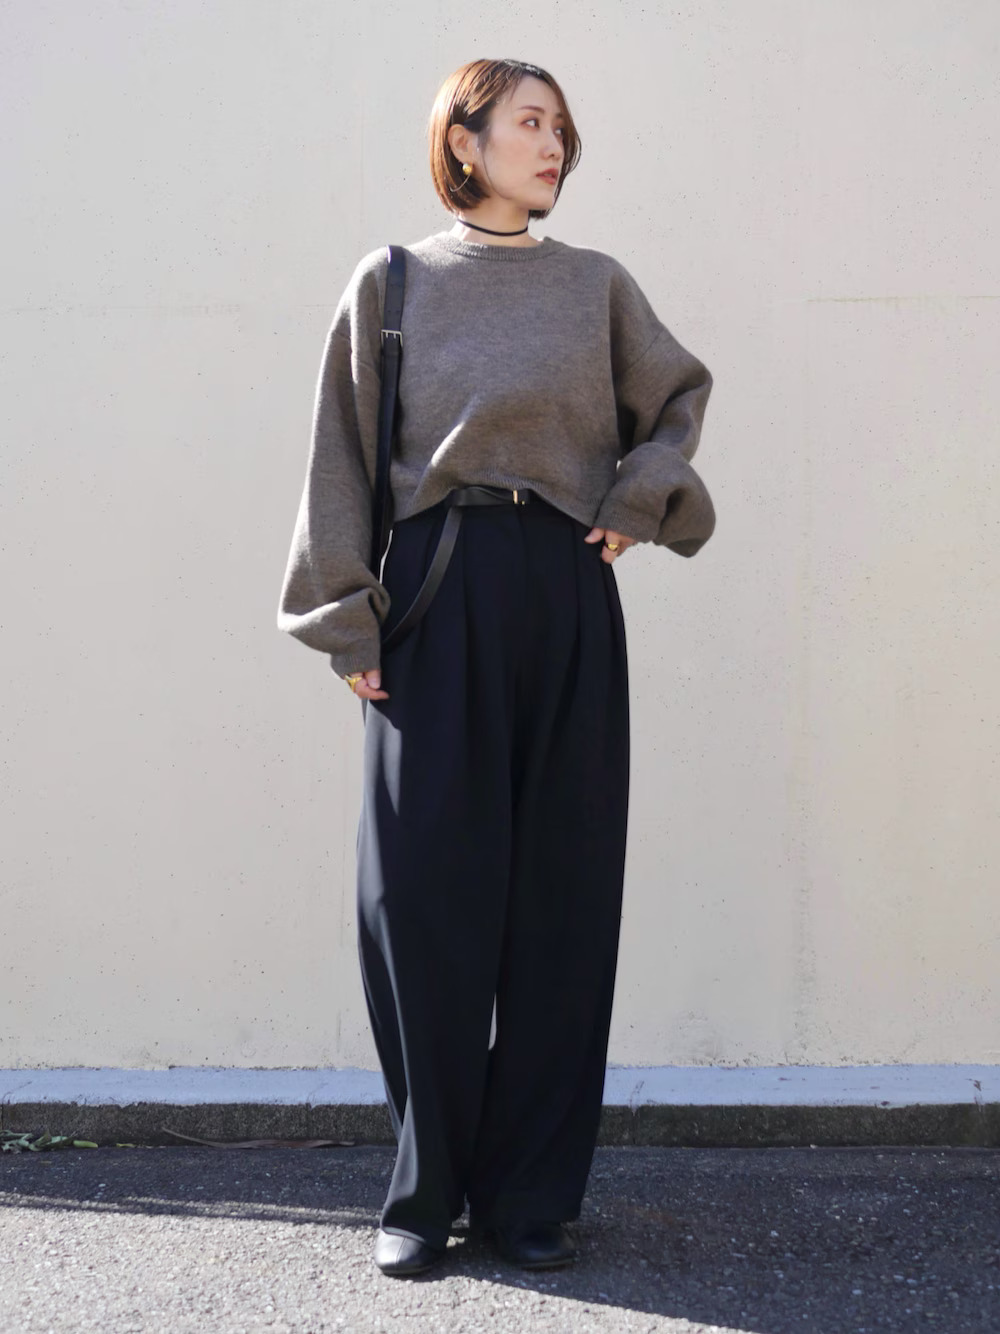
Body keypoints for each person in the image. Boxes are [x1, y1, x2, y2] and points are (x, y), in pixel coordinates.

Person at [277, 57, 715, 1278]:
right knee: (420, 901)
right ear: (463, 141)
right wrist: (346, 619)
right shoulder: (394, 282)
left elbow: (675, 400)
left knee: (561, 897)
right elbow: (339, 453)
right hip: (436, 584)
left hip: (564, 586)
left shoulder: (595, 285)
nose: (553, 142)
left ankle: (532, 1197)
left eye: (561, 126)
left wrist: (635, 500)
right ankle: (425, 1192)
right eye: (529, 121)